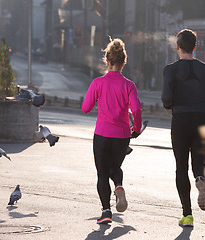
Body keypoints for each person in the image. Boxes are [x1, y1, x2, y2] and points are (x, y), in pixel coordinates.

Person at [161, 29, 205, 227]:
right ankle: (200, 179)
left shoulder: (170, 70)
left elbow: (166, 99)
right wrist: (204, 107)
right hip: (202, 119)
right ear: (196, 47)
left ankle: (187, 215)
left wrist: (173, 106)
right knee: (199, 163)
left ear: (177, 47)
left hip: (180, 120)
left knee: (181, 166)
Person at [82, 38, 142, 224]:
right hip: (122, 136)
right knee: (114, 168)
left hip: (102, 134)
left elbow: (85, 108)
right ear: (124, 63)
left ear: (107, 61)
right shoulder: (129, 85)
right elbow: (137, 109)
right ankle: (118, 185)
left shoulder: (98, 83)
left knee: (102, 173)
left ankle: (106, 211)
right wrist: (136, 128)